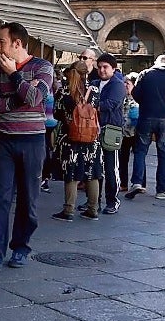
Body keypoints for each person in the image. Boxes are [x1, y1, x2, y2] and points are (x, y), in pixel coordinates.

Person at [0, 21, 52, 273]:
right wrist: (18, 98)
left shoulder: (42, 67)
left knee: (28, 199)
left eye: (1, 42)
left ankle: (21, 247)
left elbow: (34, 98)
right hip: (3, 140)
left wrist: (14, 76)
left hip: (32, 140)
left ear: (17, 43)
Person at [51, 62, 104, 222]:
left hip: (70, 139)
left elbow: (56, 113)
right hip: (91, 139)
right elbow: (98, 110)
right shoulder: (94, 91)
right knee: (92, 173)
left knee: (71, 173)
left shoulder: (64, 91)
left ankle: (69, 210)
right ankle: (93, 209)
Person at [127, 54, 165, 200]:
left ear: (155, 63)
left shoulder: (145, 74)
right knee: (164, 154)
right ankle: (162, 189)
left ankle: (137, 182)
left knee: (140, 151)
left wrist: (143, 100)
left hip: (146, 117)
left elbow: (136, 94)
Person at [94, 53, 127, 214]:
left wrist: (92, 106)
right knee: (94, 167)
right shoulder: (94, 83)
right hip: (93, 130)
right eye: (99, 67)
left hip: (111, 130)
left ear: (113, 68)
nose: (102, 70)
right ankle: (93, 201)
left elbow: (110, 104)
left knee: (111, 167)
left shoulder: (118, 85)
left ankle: (112, 201)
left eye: (105, 67)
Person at [119, 72, 139, 192]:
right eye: (124, 83)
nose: (125, 85)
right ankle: (123, 183)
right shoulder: (123, 97)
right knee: (123, 159)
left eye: (128, 83)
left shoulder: (140, 98)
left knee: (138, 157)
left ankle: (140, 183)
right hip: (124, 132)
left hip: (136, 132)